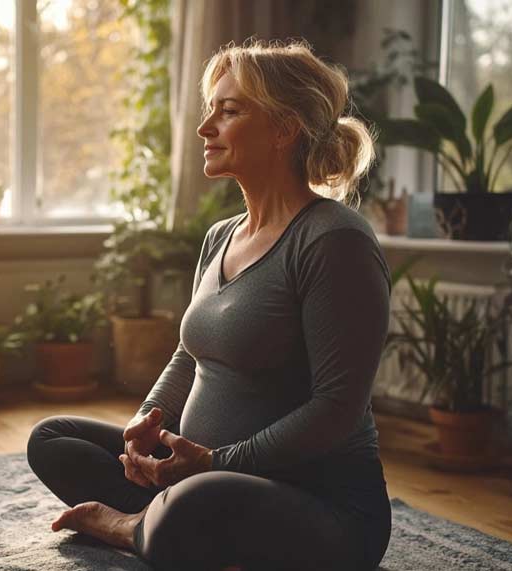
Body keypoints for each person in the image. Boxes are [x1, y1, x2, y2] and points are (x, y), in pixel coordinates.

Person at [27, 39, 392, 571]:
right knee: (53, 439)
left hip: (319, 507)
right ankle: (169, 518)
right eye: (210, 110)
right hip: (201, 478)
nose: (205, 128)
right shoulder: (222, 235)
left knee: (199, 500)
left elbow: (337, 408)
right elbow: (187, 355)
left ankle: (136, 527)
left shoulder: (335, 240)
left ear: (284, 129)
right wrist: (144, 427)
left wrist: (217, 464)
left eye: (230, 111)